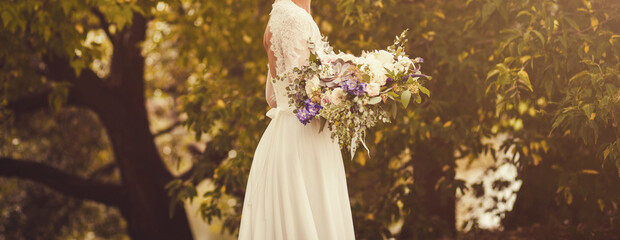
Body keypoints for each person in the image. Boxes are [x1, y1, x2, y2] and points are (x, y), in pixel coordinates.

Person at [237, 0, 356, 239]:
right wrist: (354, 86)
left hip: (283, 133)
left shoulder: (277, 17)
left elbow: (272, 98)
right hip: (305, 137)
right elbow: (306, 89)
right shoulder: (296, 18)